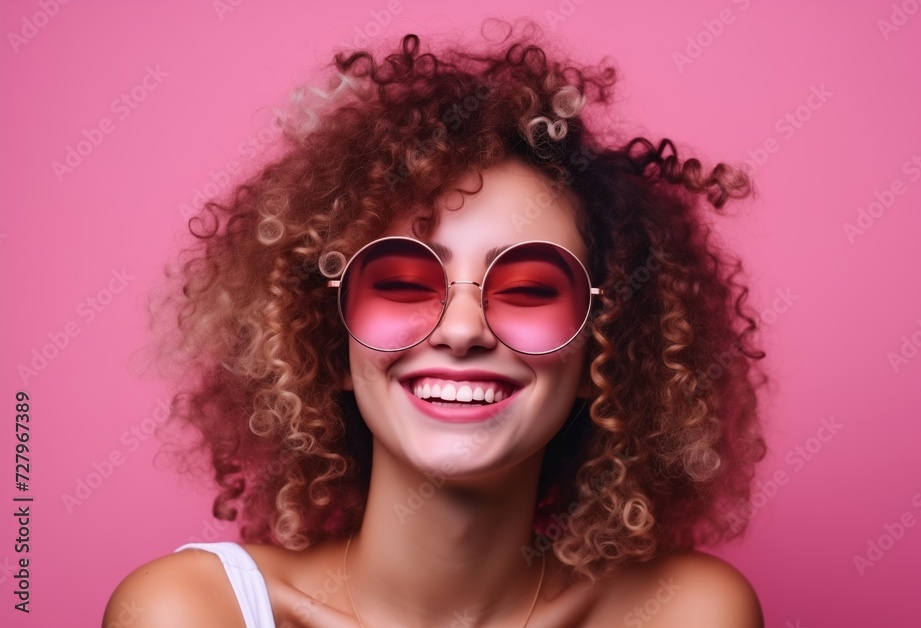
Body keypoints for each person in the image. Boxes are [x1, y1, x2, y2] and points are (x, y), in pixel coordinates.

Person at [104, 21, 768, 627]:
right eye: (399, 282)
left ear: (606, 353)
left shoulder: (684, 614)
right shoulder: (189, 612)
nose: (461, 329)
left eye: (532, 288)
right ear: (327, 343)